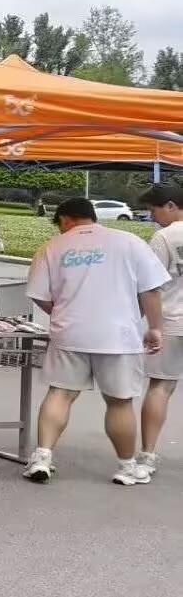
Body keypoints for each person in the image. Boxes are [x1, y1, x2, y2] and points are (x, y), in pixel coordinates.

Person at [21, 197, 168, 486]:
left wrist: (61, 312)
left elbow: (39, 295)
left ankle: (42, 457)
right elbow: (151, 290)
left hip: (70, 333)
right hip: (118, 335)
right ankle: (126, 467)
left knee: (60, 394)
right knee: (119, 402)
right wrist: (155, 328)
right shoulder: (130, 243)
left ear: (65, 219)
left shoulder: (51, 247)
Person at [135, 185, 183, 479]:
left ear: (171, 205)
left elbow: (149, 286)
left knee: (160, 387)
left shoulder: (165, 237)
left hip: (172, 321)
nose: (152, 216)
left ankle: (147, 455)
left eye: (153, 209)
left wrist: (138, 320)